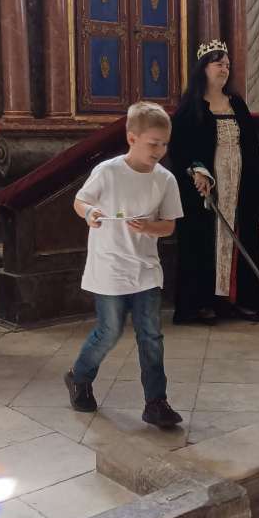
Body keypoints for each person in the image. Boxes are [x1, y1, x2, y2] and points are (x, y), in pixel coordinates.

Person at [65, 101, 184, 429]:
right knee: (109, 331)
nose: (159, 151)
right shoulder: (108, 171)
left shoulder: (165, 180)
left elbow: (169, 225)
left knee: (151, 336)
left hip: (145, 268)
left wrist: (149, 227)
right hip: (109, 266)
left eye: (164, 144)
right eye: (153, 143)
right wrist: (90, 213)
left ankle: (156, 402)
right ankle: (79, 377)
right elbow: (80, 201)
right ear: (132, 138)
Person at [169, 39, 259, 325]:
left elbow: (252, 147)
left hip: (239, 185)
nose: (224, 69)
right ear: (203, 68)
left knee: (241, 237)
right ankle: (201, 303)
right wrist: (196, 171)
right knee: (202, 241)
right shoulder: (190, 108)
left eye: (227, 65)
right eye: (218, 64)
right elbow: (180, 149)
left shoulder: (237, 104)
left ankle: (239, 301)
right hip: (206, 188)